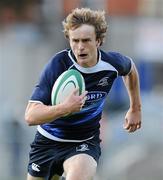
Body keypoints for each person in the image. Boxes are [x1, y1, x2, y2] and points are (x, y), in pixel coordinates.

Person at [25, 7, 142, 180]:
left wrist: (135, 108)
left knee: (79, 175)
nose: (80, 47)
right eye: (75, 41)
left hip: (84, 142)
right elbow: (30, 116)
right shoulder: (58, 65)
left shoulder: (111, 63)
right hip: (47, 141)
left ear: (99, 41)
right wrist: (65, 108)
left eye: (86, 40)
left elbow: (130, 69)